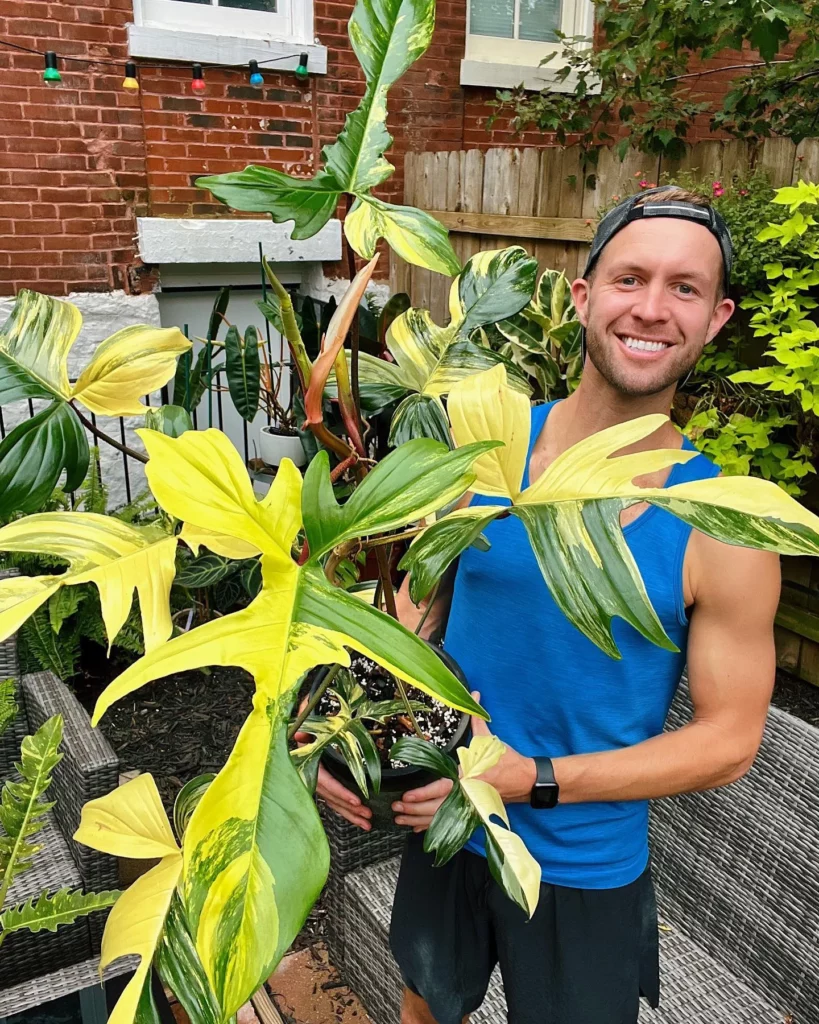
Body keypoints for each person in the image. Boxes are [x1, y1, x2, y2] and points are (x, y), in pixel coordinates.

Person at [315, 186, 781, 1024]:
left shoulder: (724, 523)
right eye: (628, 278)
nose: (650, 307)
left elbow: (728, 744)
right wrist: (346, 737)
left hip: (582, 861)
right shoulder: (481, 450)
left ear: (715, 319)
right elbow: (412, 618)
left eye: (684, 288)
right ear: (581, 299)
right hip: (447, 822)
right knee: (425, 1004)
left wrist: (528, 779)